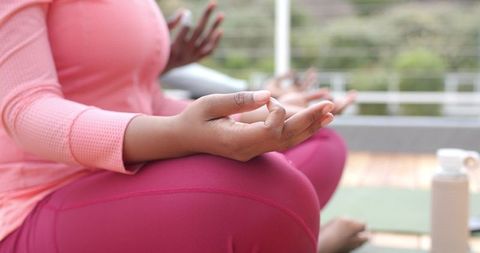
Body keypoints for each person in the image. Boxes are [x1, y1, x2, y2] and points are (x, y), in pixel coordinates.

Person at [0, 1, 365, 253]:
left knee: (321, 144)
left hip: (116, 175)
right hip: (29, 205)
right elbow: (24, 109)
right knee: (272, 193)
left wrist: (261, 115)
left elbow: (148, 102)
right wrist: (181, 135)